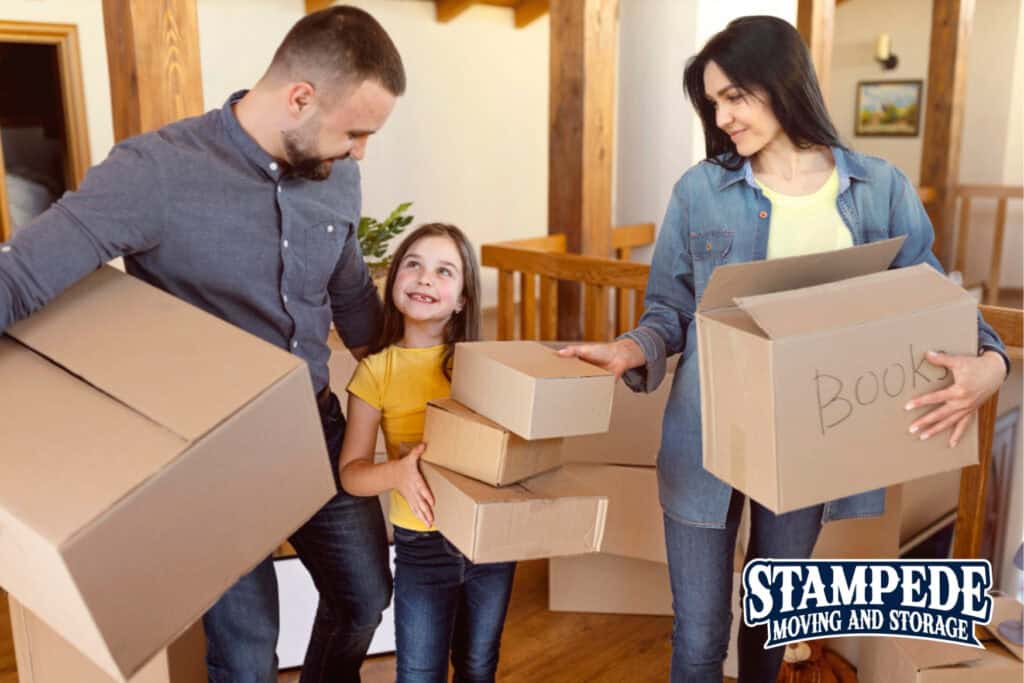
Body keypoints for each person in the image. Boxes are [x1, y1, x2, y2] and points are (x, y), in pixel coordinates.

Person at [559, 16, 1009, 683]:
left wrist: (990, 366)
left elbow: (935, 301)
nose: (722, 114)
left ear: (783, 80)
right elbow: (669, 310)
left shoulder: (879, 189)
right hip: (705, 434)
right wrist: (632, 348)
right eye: (713, 102)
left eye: (734, 95)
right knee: (698, 635)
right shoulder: (699, 192)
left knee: (772, 625)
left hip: (812, 442)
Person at [0, 6, 406, 681]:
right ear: (300, 97)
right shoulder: (155, 172)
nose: (361, 151)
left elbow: (351, 291)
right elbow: (18, 278)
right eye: (355, 131)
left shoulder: (338, 176)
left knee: (365, 597)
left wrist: (411, 377)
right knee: (246, 657)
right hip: (213, 454)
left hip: (314, 427)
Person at [339, 223, 517, 683]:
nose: (424, 279)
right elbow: (351, 474)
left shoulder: (481, 368)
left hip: (489, 545)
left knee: (479, 667)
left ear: (461, 299)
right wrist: (397, 474)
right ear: (395, 277)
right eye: (413, 264)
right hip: (423, 546)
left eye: (444, 271)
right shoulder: (377, 371)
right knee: (419, 673)